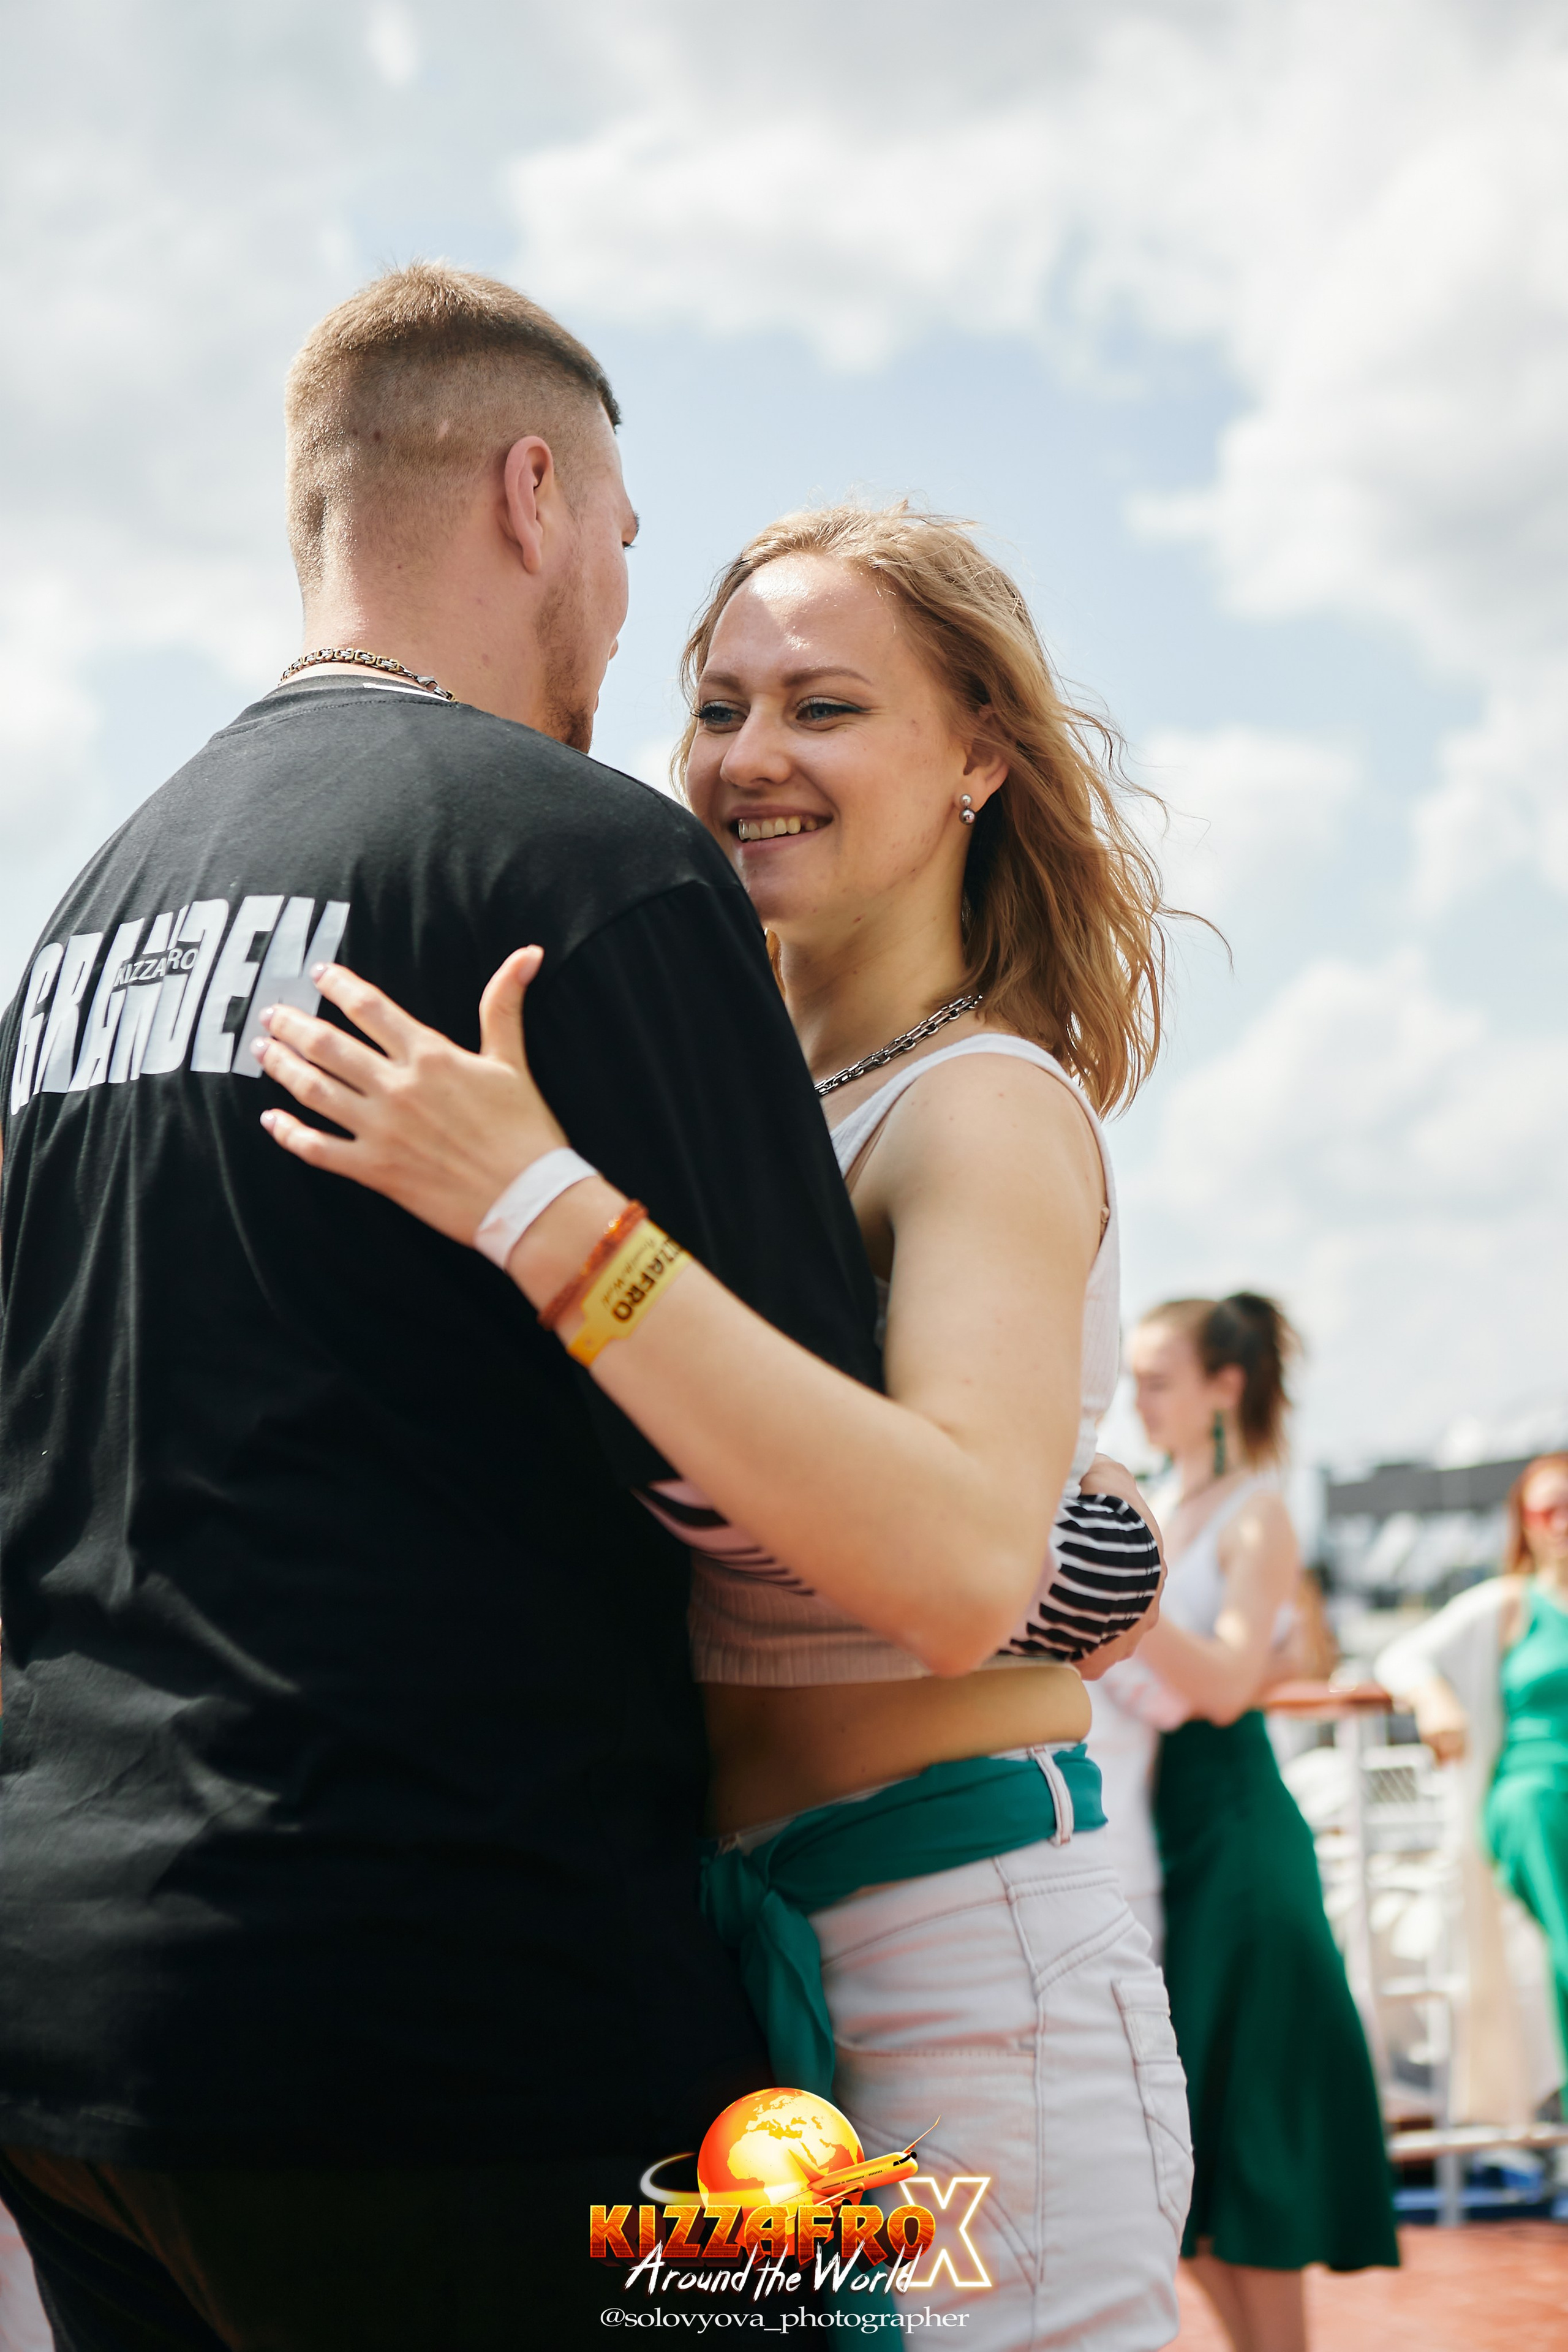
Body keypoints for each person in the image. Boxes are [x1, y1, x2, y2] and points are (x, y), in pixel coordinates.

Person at [0, 262, 929, 2351]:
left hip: (72, 2034)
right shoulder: (580, 862)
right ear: (531, 493)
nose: (620, 608)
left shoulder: (81, 917)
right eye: (619, 538)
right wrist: (1078, 1564)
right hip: (455, 2011)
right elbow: (800, 1486)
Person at [254, 502, 1192, 2350]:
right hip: (721, 1958)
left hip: (955, 1951)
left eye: (824, 706)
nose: (750, 755)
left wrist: (532, 1199)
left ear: (977, 756)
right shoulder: (721, 1100)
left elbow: (943, 1569)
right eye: (719, 702)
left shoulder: (979, 1102)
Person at [1123, 1294, 1398, 2352]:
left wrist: (1114, 1599)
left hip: (1235, 1842)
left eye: (1159, 1379)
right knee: (1181, 2165)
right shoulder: (1161, 1502)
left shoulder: (1257, 1512)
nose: (1137, 1398)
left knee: (1241, 2141)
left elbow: (1236, 1682)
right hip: (1162, 1848)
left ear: (1222, 1389)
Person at [1376, 1454, 1568, 2121]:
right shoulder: (1511, 1604)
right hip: (1536, 1795)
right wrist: (1434, 1701)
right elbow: (1402, 1655)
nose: (1563, 1523)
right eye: (1549, 1509)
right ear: (1525, 1523)